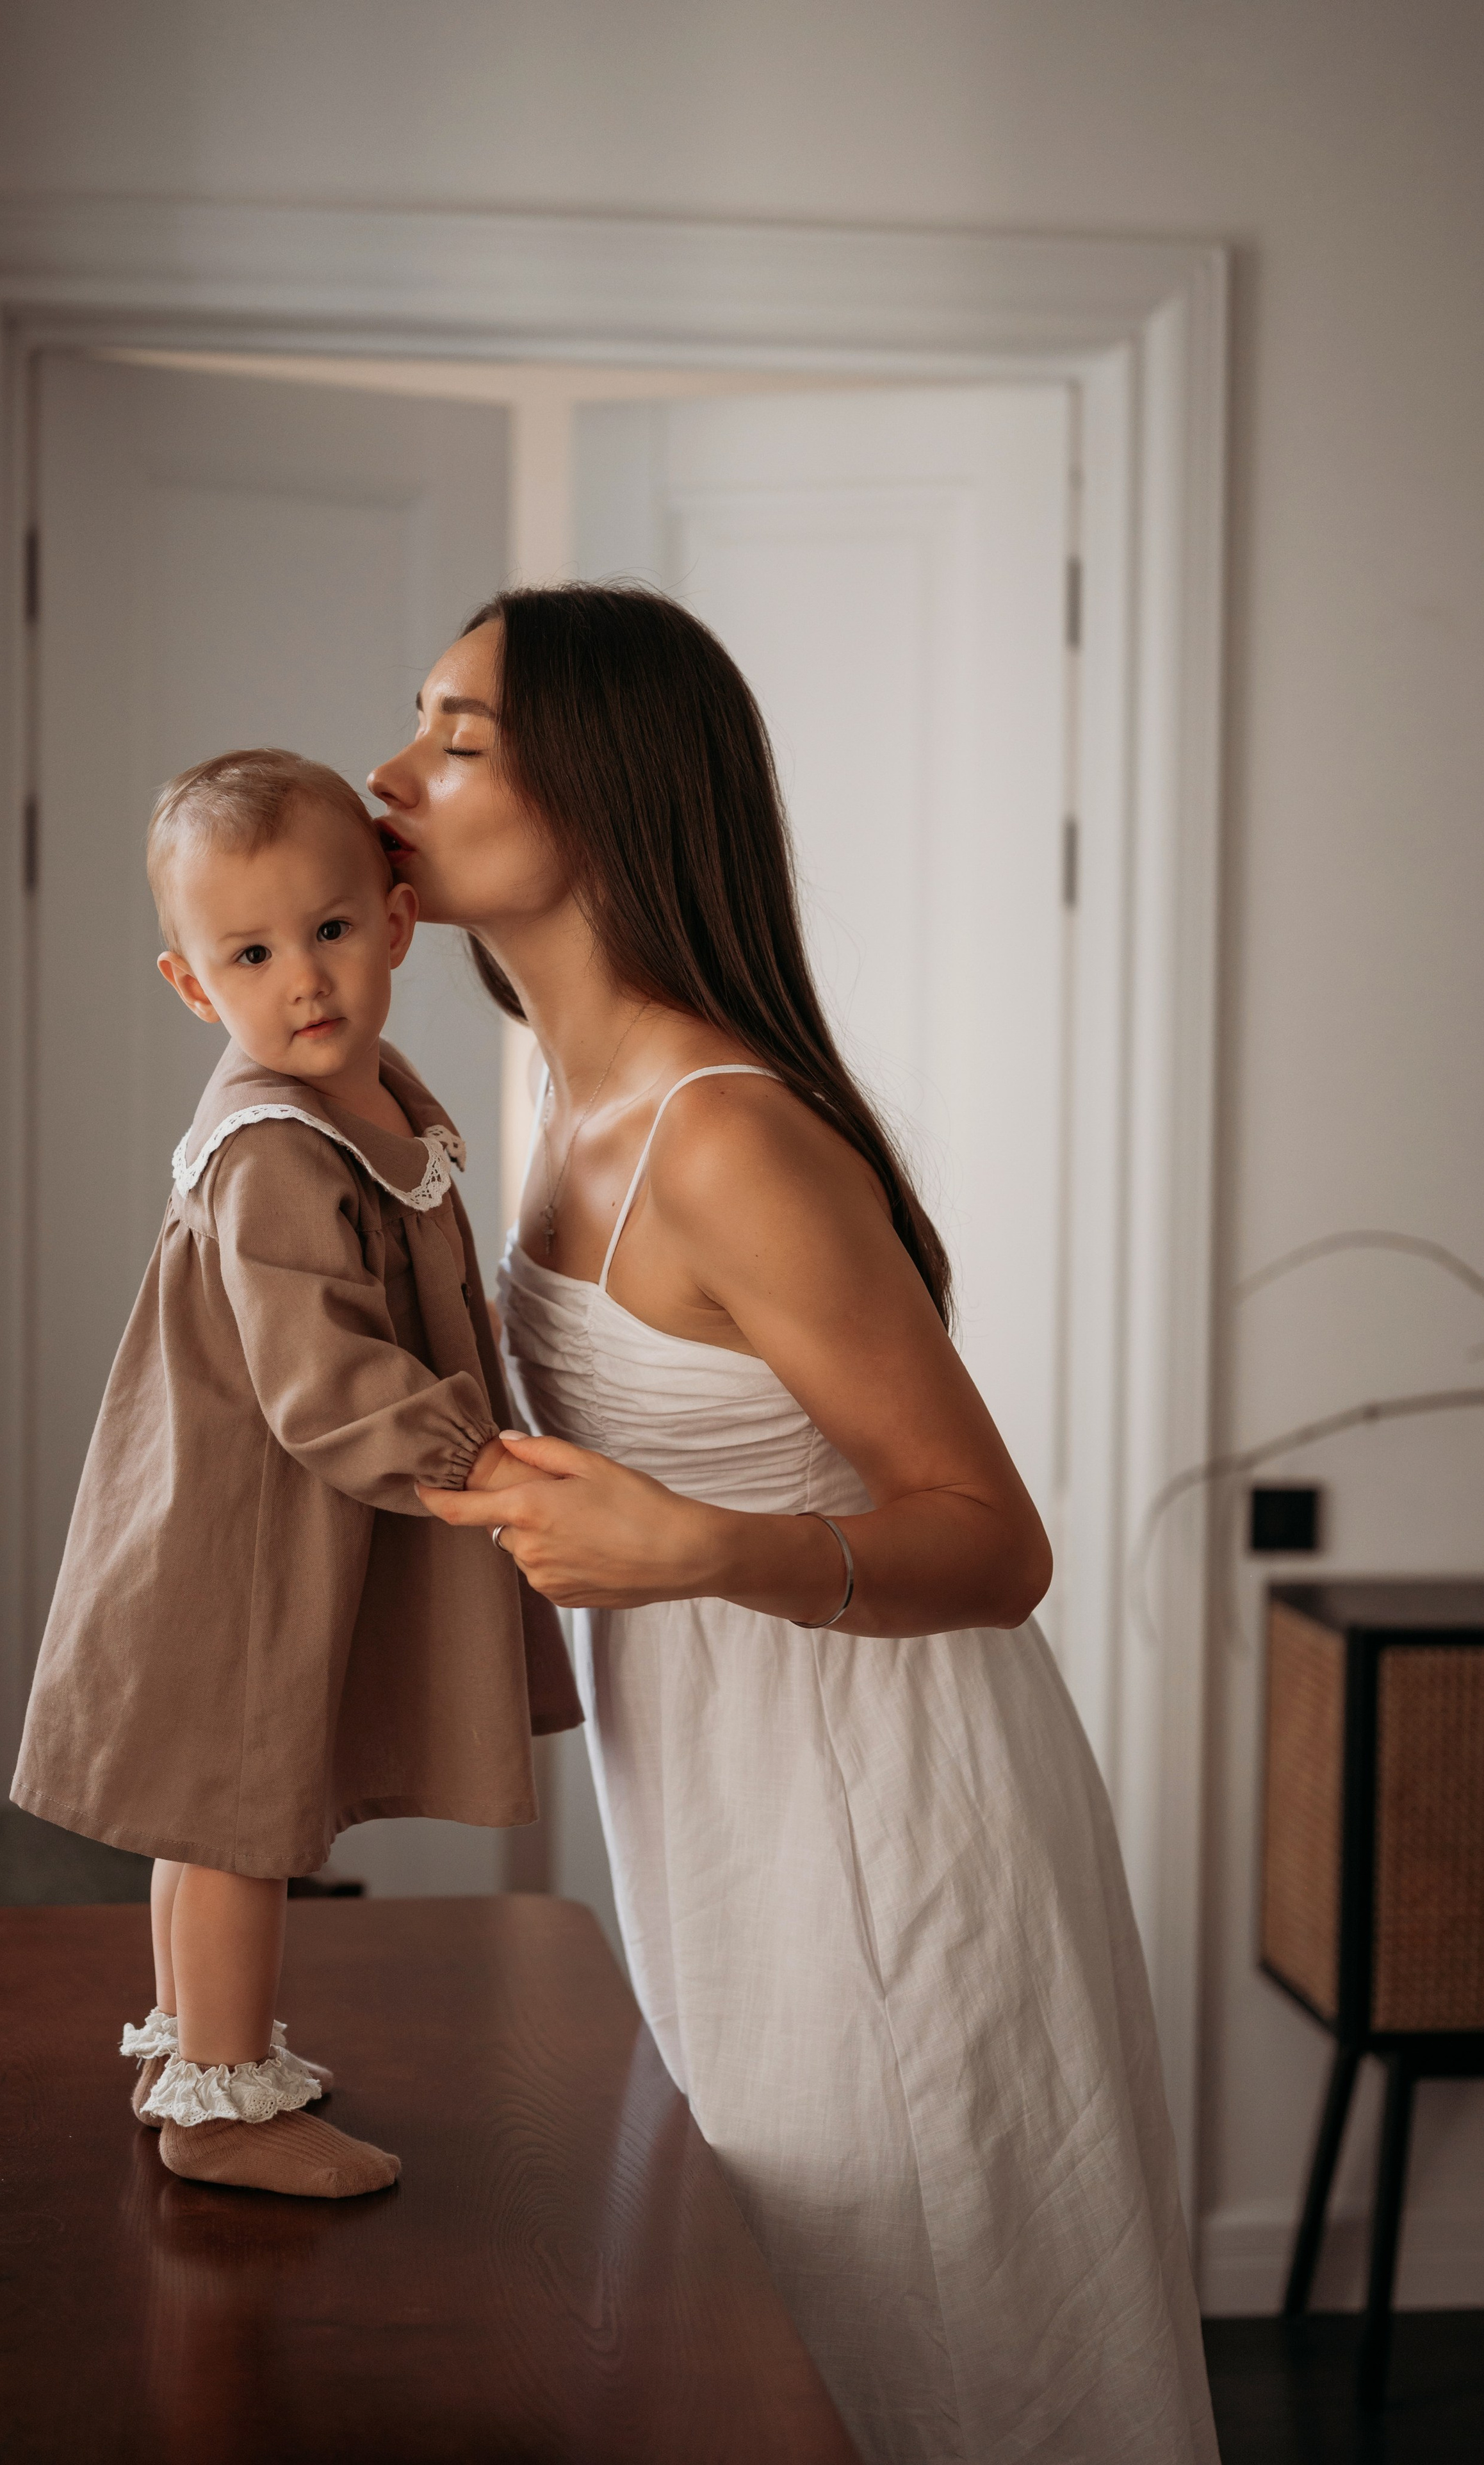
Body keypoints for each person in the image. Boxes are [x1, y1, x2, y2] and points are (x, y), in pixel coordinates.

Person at [373, 589, 1219, 2464]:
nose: (391, 776)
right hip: (722, 1817)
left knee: (924, 2358)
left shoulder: (724, 1137)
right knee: (783, 2339)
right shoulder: (559, 1093)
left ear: (606, 791)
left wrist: (697, 1550)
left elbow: (994, 1545)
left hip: (885, 1838)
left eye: (457, 738)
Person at [12, 748, 580, 2199]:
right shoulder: (274, 1143)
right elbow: (318, 1376)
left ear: (396, 921)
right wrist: (474, 1457)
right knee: (235, 1815)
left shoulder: (370, 1091)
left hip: (277, 1516)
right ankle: (223, 2111)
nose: (305, 981)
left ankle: (197, 2052)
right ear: (193, 986)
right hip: (242, 1533)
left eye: (329, 931)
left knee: (220, 1802)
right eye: (251, 955)